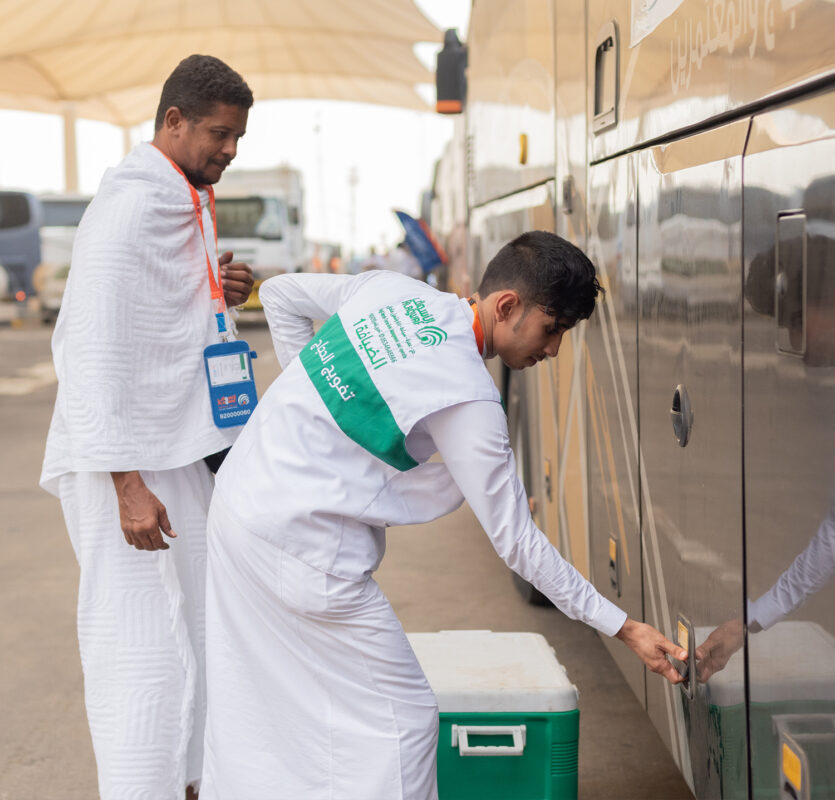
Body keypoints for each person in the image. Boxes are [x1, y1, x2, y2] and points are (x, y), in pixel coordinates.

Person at [200, 231, 688, 800]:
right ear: (507, 305)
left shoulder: (391, 291)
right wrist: (625, 627)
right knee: (403, 718)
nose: (553, 350)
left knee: (262, 707)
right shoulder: (468, 396)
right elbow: (519, 546)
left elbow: (281, 294)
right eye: (552, 329)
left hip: (239, 508)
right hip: (303, 554)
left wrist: (308, 412)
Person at [40, 55, 254, 800]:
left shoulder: (183, 199)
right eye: (219, 135)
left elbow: (161, 315)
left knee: (196, 631)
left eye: (237, 139)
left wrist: (221, 287)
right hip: (123, 464)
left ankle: (189, 784)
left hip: (178, 449)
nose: (229, 151)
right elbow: (90, 349)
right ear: (172, 122)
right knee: (139, 650)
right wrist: (126, 485)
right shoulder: (130, 208)